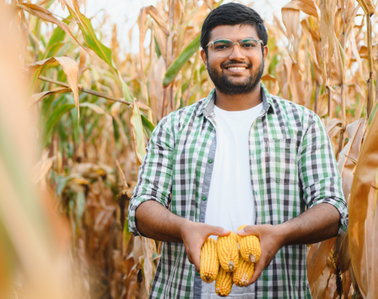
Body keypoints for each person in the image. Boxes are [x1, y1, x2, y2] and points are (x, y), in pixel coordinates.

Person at [128, 3, 348, 298]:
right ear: (205, 56)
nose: (236, 55)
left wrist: (281, 234)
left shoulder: (303, 125)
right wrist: (183, 228)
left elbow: (333, 209)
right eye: (222, 46)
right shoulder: (173, 127)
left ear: (264, 53)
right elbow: (141, 207)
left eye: (248, 44)